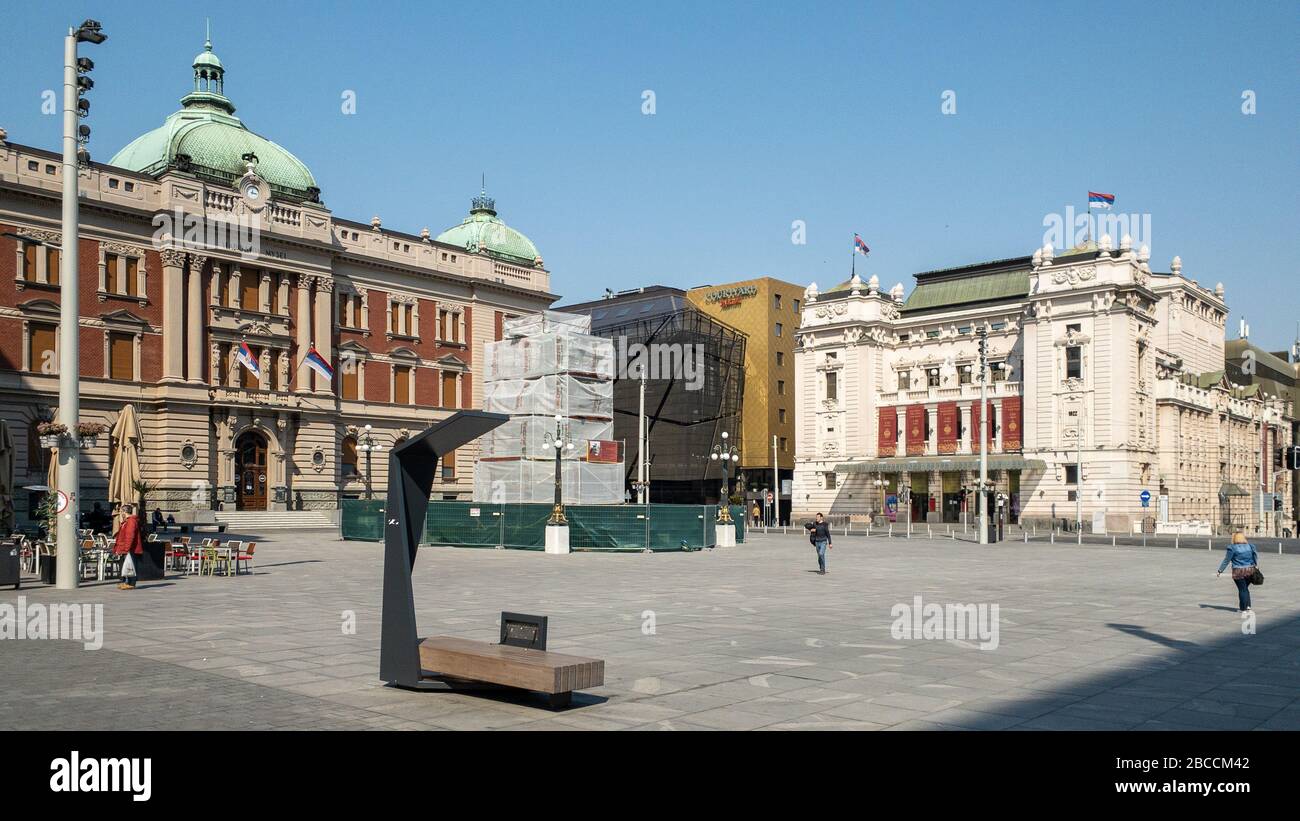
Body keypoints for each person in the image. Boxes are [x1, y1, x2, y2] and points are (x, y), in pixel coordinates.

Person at [1217, 531, 1259, 615]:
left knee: (1242, 589)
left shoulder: (1232, 548)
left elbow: (1227, 560)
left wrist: (1220, 570)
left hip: (1238, 571)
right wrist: (1256, 565)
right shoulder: (1250, 546)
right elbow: (1255, 556)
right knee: (1245, 589)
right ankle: (1248, 606)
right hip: (1250, 570)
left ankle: (1243, 608)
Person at [114, 504, 145, 590]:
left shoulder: (131, 521)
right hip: (125, 547)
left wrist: (126, 548)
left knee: (131, 565)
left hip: (131, 548)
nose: (120, 513)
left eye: (121, 512)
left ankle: (131, 583)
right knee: (126, 565)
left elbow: (129, 536)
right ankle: (125, 581)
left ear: (124, 512)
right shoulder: (126, 521)